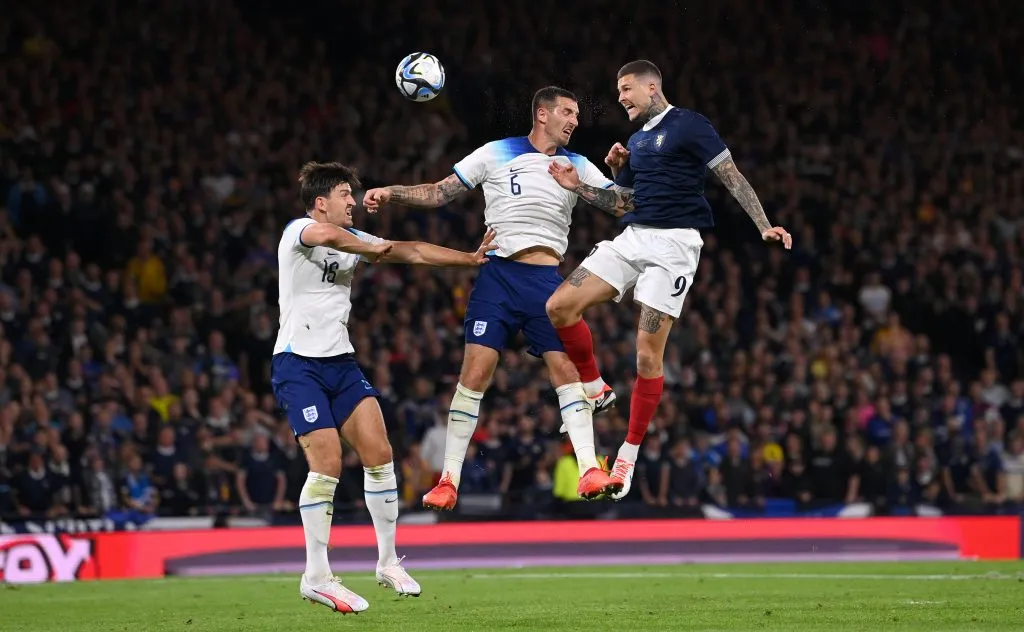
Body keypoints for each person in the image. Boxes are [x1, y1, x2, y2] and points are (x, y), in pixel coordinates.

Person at [363, 87, 623, 510]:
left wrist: (603, 179)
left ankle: (589, 469)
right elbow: (440, 192)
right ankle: (448, 480)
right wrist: (391, 192)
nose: (575, 120)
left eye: (577, 114)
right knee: (475, 371)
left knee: (565, 369)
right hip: (498, 277)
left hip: (545, 281)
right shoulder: (495, 152)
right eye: (567, 112)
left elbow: (623, 205)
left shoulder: (577, 164)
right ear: (542, 114)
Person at [545, 60, 793, 500]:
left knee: (646, 357)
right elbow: (624, 204)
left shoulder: (690, 125)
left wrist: (763, 224)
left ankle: (627, 456)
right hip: (633, 237)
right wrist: (584, 183)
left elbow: (731, 175)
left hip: (675, 245)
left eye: (626, 89)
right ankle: (595, 388)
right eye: (618, 90)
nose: (620, 97)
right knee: (559, 305)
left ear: (651, 86)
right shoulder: (636, 141)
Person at [274, 161, 494, 613]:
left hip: (340, 362)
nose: (353, 202)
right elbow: (331, 237)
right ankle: (316, 576)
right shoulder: (299, 231)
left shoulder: (356, 240)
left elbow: (412, 252)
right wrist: (374, 247)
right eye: (344, 194)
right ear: (321, 202)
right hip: (298, 364)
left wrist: (468, 259)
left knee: (380, 454)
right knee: (327, 464)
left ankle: (388, 562)